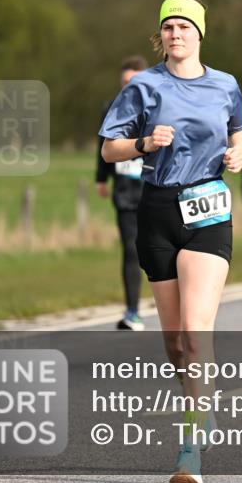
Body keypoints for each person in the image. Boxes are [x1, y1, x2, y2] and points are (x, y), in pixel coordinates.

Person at [100, 0, 242, 483]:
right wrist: (143, 143)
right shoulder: (144, 86)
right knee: (173, 345)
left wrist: (238, 154)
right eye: (168, 27)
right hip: (158, 210)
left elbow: (240, 132)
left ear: (200, 34)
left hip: (208, 208)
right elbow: (109, 146)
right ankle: (202, 404)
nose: (176, 34)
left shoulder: (225, 85)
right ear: (159, 35)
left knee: (193, 333)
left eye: (185, 26)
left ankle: (190, 454)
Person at [97, 56, 149, 330]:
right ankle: (132, 312)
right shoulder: (111, 109)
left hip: (155, 192)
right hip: (126, 194)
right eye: (124, 82)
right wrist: (100, 178)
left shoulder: (159, 107)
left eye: (133, 82)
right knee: (131, 250)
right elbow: (102, 147)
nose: (127, 86)